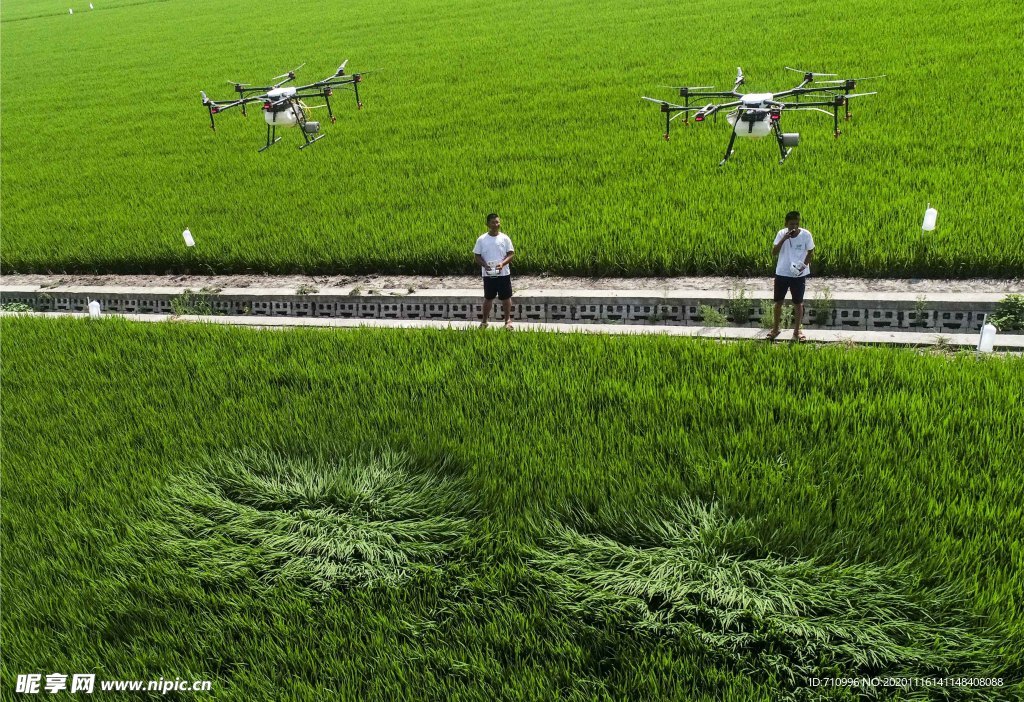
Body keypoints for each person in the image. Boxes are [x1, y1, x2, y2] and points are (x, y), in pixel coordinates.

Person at [768, 211, 815, 341]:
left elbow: (811, 252)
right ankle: (775, 329)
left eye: (796, 223)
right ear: (786, 224)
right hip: (782, 273)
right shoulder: (781, 234)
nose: (794, 226)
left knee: (798, 303)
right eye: (791, 224)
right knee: (778, 302)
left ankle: (797, 331)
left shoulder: (806, 235)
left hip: (799, 275)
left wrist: (803, 267)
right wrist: (784, 239)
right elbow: (774, 252)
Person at [472, 213, 515, 329]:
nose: (496, 224)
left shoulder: (505, 238)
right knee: (488, 298)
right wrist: (485, 265)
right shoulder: (481, 239)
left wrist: (502, 264)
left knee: (506, 298)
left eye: (497, 222)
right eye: (493, 222)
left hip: (503, 274)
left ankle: (507, 321)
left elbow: (511, 254)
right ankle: (484, 321)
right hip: (488, 274)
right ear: (487, 224)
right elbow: (477, 256)